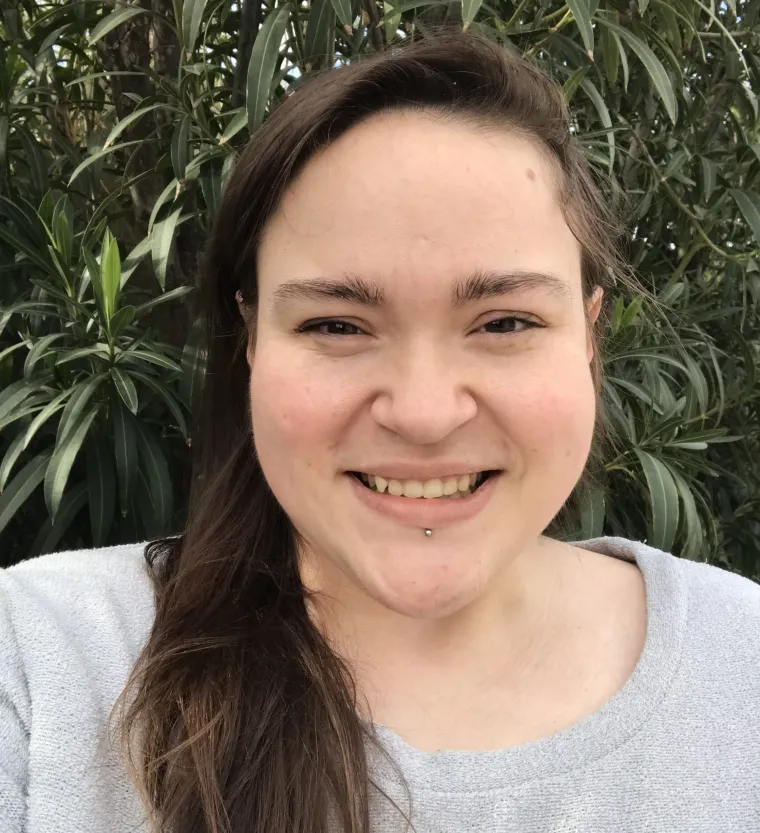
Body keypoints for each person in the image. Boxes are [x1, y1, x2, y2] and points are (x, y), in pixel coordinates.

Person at [1, 28, 759, 833]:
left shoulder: (740, 666)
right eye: (337, 325)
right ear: (252, 340)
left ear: (590, 337)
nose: (425, 413)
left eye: (504, 321)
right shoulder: (42, 666)